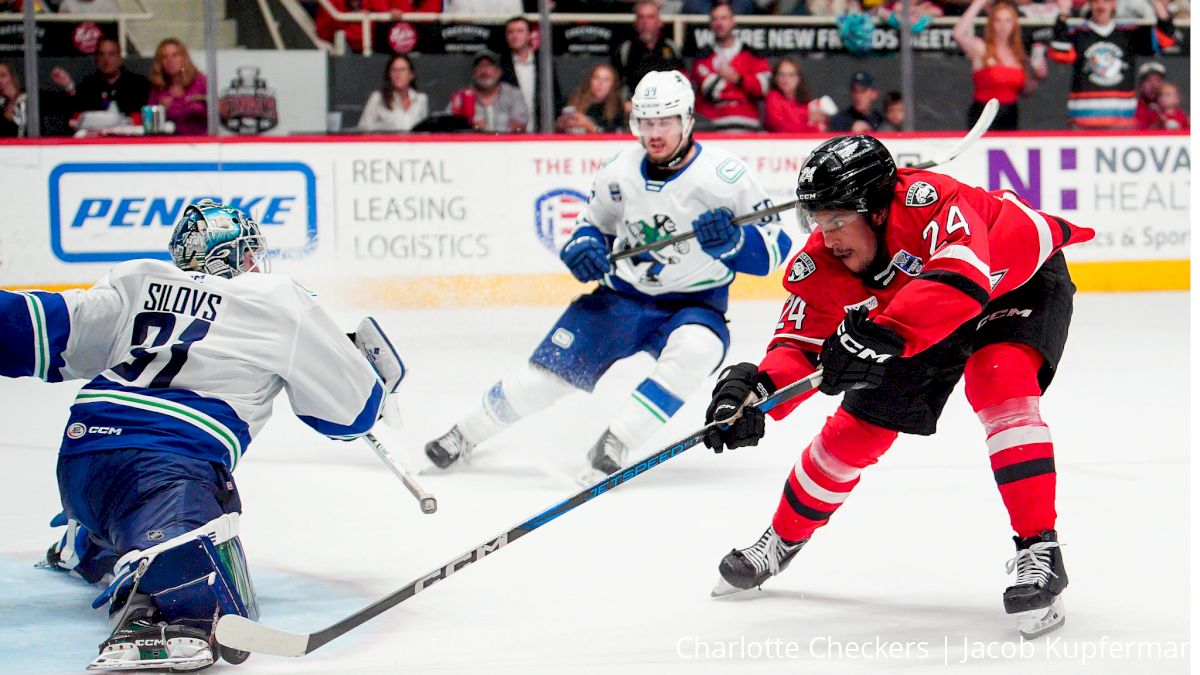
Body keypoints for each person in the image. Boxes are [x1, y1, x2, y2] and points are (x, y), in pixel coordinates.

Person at [702, 135, 1095, 639]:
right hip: (915, 309)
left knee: (999, 380)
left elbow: (961, 279)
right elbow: (798, 344)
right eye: (818, 220)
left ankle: (1040, 550)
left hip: (1017, 283)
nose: (827, 236)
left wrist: (876, 338)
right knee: (856, 431)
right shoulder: (823, 259)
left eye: (838, 219)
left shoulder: (934, 201)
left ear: (878, 211)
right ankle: (780, 540)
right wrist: (757, 393)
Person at [2, 200, 394, 671]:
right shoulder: (277, 298)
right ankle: (155, 620)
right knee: (204, 588)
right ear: (231, 256)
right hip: (166, 468)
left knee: (133, 505)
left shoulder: (138, 280)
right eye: (248, 253)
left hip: (83, 461)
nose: (254, 263)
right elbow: (348, 416)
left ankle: (90, 541)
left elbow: (35, 330)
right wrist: (365, 372)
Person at [424, 71, 793, 483]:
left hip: (695, 304)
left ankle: (617, 440)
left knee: (698, 348)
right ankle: (465, 433)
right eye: (647, 122)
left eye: (665, 122)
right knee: (545, 380)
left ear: (688, 120)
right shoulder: (619, 169)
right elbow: (593, 224)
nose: (655, 134)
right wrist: (584, 245)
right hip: (622, 296)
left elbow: (776, 248)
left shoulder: (725, 176)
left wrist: (735, 243)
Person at [1048, 0, 1178, 130]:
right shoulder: (1078, 33)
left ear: (1114, 4)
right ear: (1090, 4)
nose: (1101, 6)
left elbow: (1166, 39)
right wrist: (1063, 12)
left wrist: (1158, 4)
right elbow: (1060, 54)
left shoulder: (1128, 33)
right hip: (1084, 120)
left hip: (1121, 120)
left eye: (1106, 1)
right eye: (1096, 1)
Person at [954, 0, 1047, 130]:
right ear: (991, 23)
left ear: (1014, 24)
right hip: (983, 115)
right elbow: (958, 34)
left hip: (1009, 116)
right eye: (998, 20)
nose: (1003, 26)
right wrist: (978, 3)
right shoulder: (981, 48)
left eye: (1008, 21)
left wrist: (1037, 76)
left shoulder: (1019, 54)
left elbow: (1025, 91)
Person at [690, 1, 771, 132]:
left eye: (724, 18)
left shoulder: (752, 54)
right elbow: (710, 90)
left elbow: (764, 87)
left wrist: (738, 79)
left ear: (733, 21)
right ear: (710, 24)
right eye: (715, 19)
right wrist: (745, 86)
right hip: (714, 127)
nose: (719, 23)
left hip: (749, 125)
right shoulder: (703, 56)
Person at [49, 37, 151, 125]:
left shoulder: (138, 84)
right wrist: (69, 87)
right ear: (97, 59)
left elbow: (146, 118)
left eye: (111, 54)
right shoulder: (88, 86)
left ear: (120, 58)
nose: (106, 60)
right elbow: (74, 118)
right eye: (102, 54)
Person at [612, 0, 686, 100]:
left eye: (650, 17)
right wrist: (624, 103)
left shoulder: (672, 47)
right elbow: (616, 85)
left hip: (667, 103)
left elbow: (682, 80)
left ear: (659, 22)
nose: (645, 22)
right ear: (636, 22)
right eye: (641, 17)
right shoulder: (625, 50)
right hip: (635, 104)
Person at [499, 16, 560, 132]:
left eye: (520, 31)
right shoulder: (500, 65)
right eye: (510, 32)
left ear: (529, 35)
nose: (515, 36)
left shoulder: (544, 63)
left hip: (542, 130)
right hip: (511, 132)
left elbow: (555, 96)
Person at [447, 50, 529, 133]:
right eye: (479, 66)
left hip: (506, 141)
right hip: (472, 141)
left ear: (499, 71)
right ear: (473, 72)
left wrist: (487, 131)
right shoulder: (461, 97)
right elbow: (448, 126)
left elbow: (521, 124)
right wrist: (470, 127)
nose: (484, 71)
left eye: (489, 65)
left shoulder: (513, 94)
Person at [147, 38, 208, 135]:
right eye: (164, 57)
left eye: (175, 55)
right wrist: (160, 109)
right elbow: (150, 127)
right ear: (160, 62)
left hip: (199, 140)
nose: (170, 61)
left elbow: (216, 113)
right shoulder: (158, 88)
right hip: (169, 141)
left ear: (184, 58)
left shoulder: (200, 82)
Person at [358, 54, 429, 132]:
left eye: (402, 70)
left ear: (411, 75)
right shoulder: (378, 98)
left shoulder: (420, 99)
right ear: (389, 75)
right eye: (394, 70)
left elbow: (424, 131)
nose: (398, 74)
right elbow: (364, 128)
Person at [763, 57, 829, 133]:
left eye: (791, 75)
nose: (785, 79)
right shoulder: (773, 97)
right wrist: (812, 127)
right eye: (781, 74)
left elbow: (822, 126)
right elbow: (780, 127)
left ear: (798, 78)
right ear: (775, 78)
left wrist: (819, 121)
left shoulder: (806, 103)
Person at [556, 63, 626, 133]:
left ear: (613, 84)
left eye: (606, 80)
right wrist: (561, 124)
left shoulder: (617, 107)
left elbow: (615, 135)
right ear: (589, 81)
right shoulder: (571, 100)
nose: (600, 83)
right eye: (596, 78)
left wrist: (589, 126)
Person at [1133, 60, 1166, 129]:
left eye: (1157, 80)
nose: (1153, 84)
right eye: (1148, 80)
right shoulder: (1133, 109)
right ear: (1141, 85)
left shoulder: (1170, 108)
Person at [0, 61, 27, 137]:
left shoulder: (26, 100)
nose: (0, 80)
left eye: (3, 75)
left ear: (13, 77)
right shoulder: (2, 103)